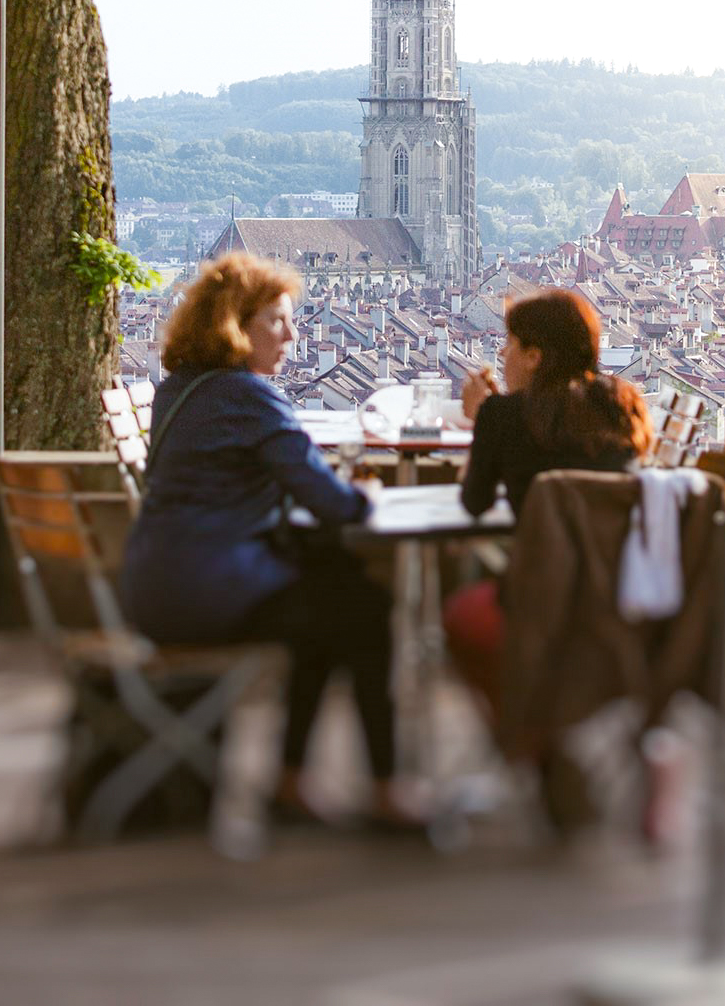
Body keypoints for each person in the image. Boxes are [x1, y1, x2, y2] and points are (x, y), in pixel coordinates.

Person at [116, 252, 416, 831]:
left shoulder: (180, 390)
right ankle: (382, 789)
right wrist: (368, 498)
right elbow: (333, 503)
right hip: (207, 593)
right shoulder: (248, 397)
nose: (292, 335)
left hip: (153, 587)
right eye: (276, 320)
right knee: (366, 610)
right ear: (236, 325)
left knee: (333, 598)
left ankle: (292, 781)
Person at [446, 289, 654, 707]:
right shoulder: (624, 402)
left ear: (534, 356)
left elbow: (474, 503)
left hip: (541, 599)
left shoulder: (502, 415)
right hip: (627, 593)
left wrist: (481, 424)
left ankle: (520, 724)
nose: (502, 355)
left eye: (510, 344)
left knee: (459, 615)